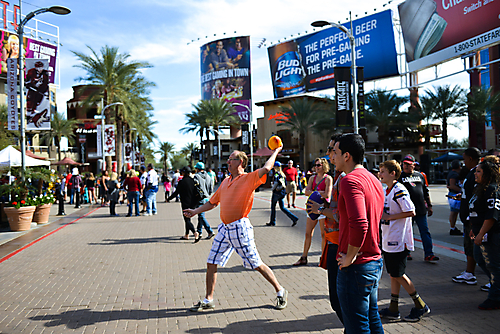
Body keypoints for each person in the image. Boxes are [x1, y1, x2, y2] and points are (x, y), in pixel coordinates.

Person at [184, 148, 289, 311]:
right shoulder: (225, 181)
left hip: (240, 228)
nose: (227, 162)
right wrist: (195, 211)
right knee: (211, 262)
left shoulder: (249, 178)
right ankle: (208, 299)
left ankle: (280, 290)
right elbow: (212, 202)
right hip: (224, 229)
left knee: (256, 264)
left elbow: (267, 168)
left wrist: (275, 151)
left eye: (231, 159)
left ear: (240, 162)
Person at [332, 133, 385, 333]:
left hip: (357, 266)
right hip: (373, 261)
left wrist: (350, 257)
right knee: (372, 318)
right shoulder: (373, 178)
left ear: (347, 156)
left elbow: (360, 223)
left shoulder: (350, 180)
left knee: (357, 327)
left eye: (335, 152)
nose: (332, 157)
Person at [378, 160, 431, 322]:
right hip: (388, 237)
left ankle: (420, 305)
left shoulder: (399, 189)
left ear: (393, 173)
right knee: (393, 274)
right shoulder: (386, 190)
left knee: (399, 274)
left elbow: (411, 211)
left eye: (383, 171)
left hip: (398, 239)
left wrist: (389, 217)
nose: (380, 174)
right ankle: (393, 309)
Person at [309, 137, 344, 324]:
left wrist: (320, 210)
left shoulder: (343, 178)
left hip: (342, 245)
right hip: (335, 242)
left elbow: (342, 215)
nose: (328, 153)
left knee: (340, 300)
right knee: (340, 301)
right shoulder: (339, 176)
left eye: (331, 149)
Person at [468, 158, 500, 310]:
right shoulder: (480, 188)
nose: (475, 173)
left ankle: (495, 297)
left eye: (479, 171)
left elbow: (491, 216)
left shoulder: (492, 189)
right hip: (479, 232)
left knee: (493, 265)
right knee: (480, 259)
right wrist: (473, 229)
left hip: (491, 234)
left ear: (487, 174)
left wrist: (481, 233)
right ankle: (496, 285)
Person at [399, 154, 439, 263]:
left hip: (420, 209)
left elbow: (425, 191)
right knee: (406, 232)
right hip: (406, 211)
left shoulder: (420, 176)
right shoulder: (399, 177)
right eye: (404, 164)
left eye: (409, 164)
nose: (406, 166)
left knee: (425, 231)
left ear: (414, 165)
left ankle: (429, 254)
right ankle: (406, 252)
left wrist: (429, 205)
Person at [293, 158, 332, 266]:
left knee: (323, 235)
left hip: (322, 208)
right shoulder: (312, 178)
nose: (316, 167)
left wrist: (314, 193)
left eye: (318, 165)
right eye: (315, 165)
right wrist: (319, 193)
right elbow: (306, 192)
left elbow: (327, 194)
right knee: (307, 233)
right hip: (311, 207)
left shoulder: (328, 178)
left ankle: (323, 258)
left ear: (324, 166)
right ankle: (304, 257)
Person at [452, 147, 481, 286]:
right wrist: (462, 197)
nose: (463, 162)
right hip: (468, 216)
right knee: (470, 246)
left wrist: (471, 216)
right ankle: (470, 272)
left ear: (470, 159)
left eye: (464, 159)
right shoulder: (472, 173)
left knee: (472, 246)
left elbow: (477, 195)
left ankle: (471, 273)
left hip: (472, 217)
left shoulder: (476, 173)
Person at [168, 166, 200, 242]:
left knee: (187, 220)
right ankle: (186, 235)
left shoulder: (181, 182)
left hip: (185, 203)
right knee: (188, 219)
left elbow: (176, 192)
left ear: (184, 173)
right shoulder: (193, 181)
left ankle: (195, 233)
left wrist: (168, 198)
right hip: (193, 203)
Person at [267, 161, 298, 227]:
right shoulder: (283, 174)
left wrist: (272, 189)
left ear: (275, 167)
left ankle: (272, 222)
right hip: (282, 193)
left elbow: (275, 183)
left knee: (273, 207)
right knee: (282, 207)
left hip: (276, 192)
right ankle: (294, 218)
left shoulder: (276, 174)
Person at [193, 162, 215, 239]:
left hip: (200, 198)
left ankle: (210, 231)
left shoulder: (196, 176)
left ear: (197, 169)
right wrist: (207, 194)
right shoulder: (208, 176)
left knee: (201, 216)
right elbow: (211, 188)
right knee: (200, 215)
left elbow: (195, 188)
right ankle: (199, 232)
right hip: (206, 198)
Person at [447, 160, 463, 236]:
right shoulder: (454, 174)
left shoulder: (452, 173)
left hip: (453, 193)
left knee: (454, 212)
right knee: (455, 212)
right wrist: (462, 191)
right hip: (455, 194)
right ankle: (452, 228)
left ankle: (452, 227)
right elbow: (452, 185)